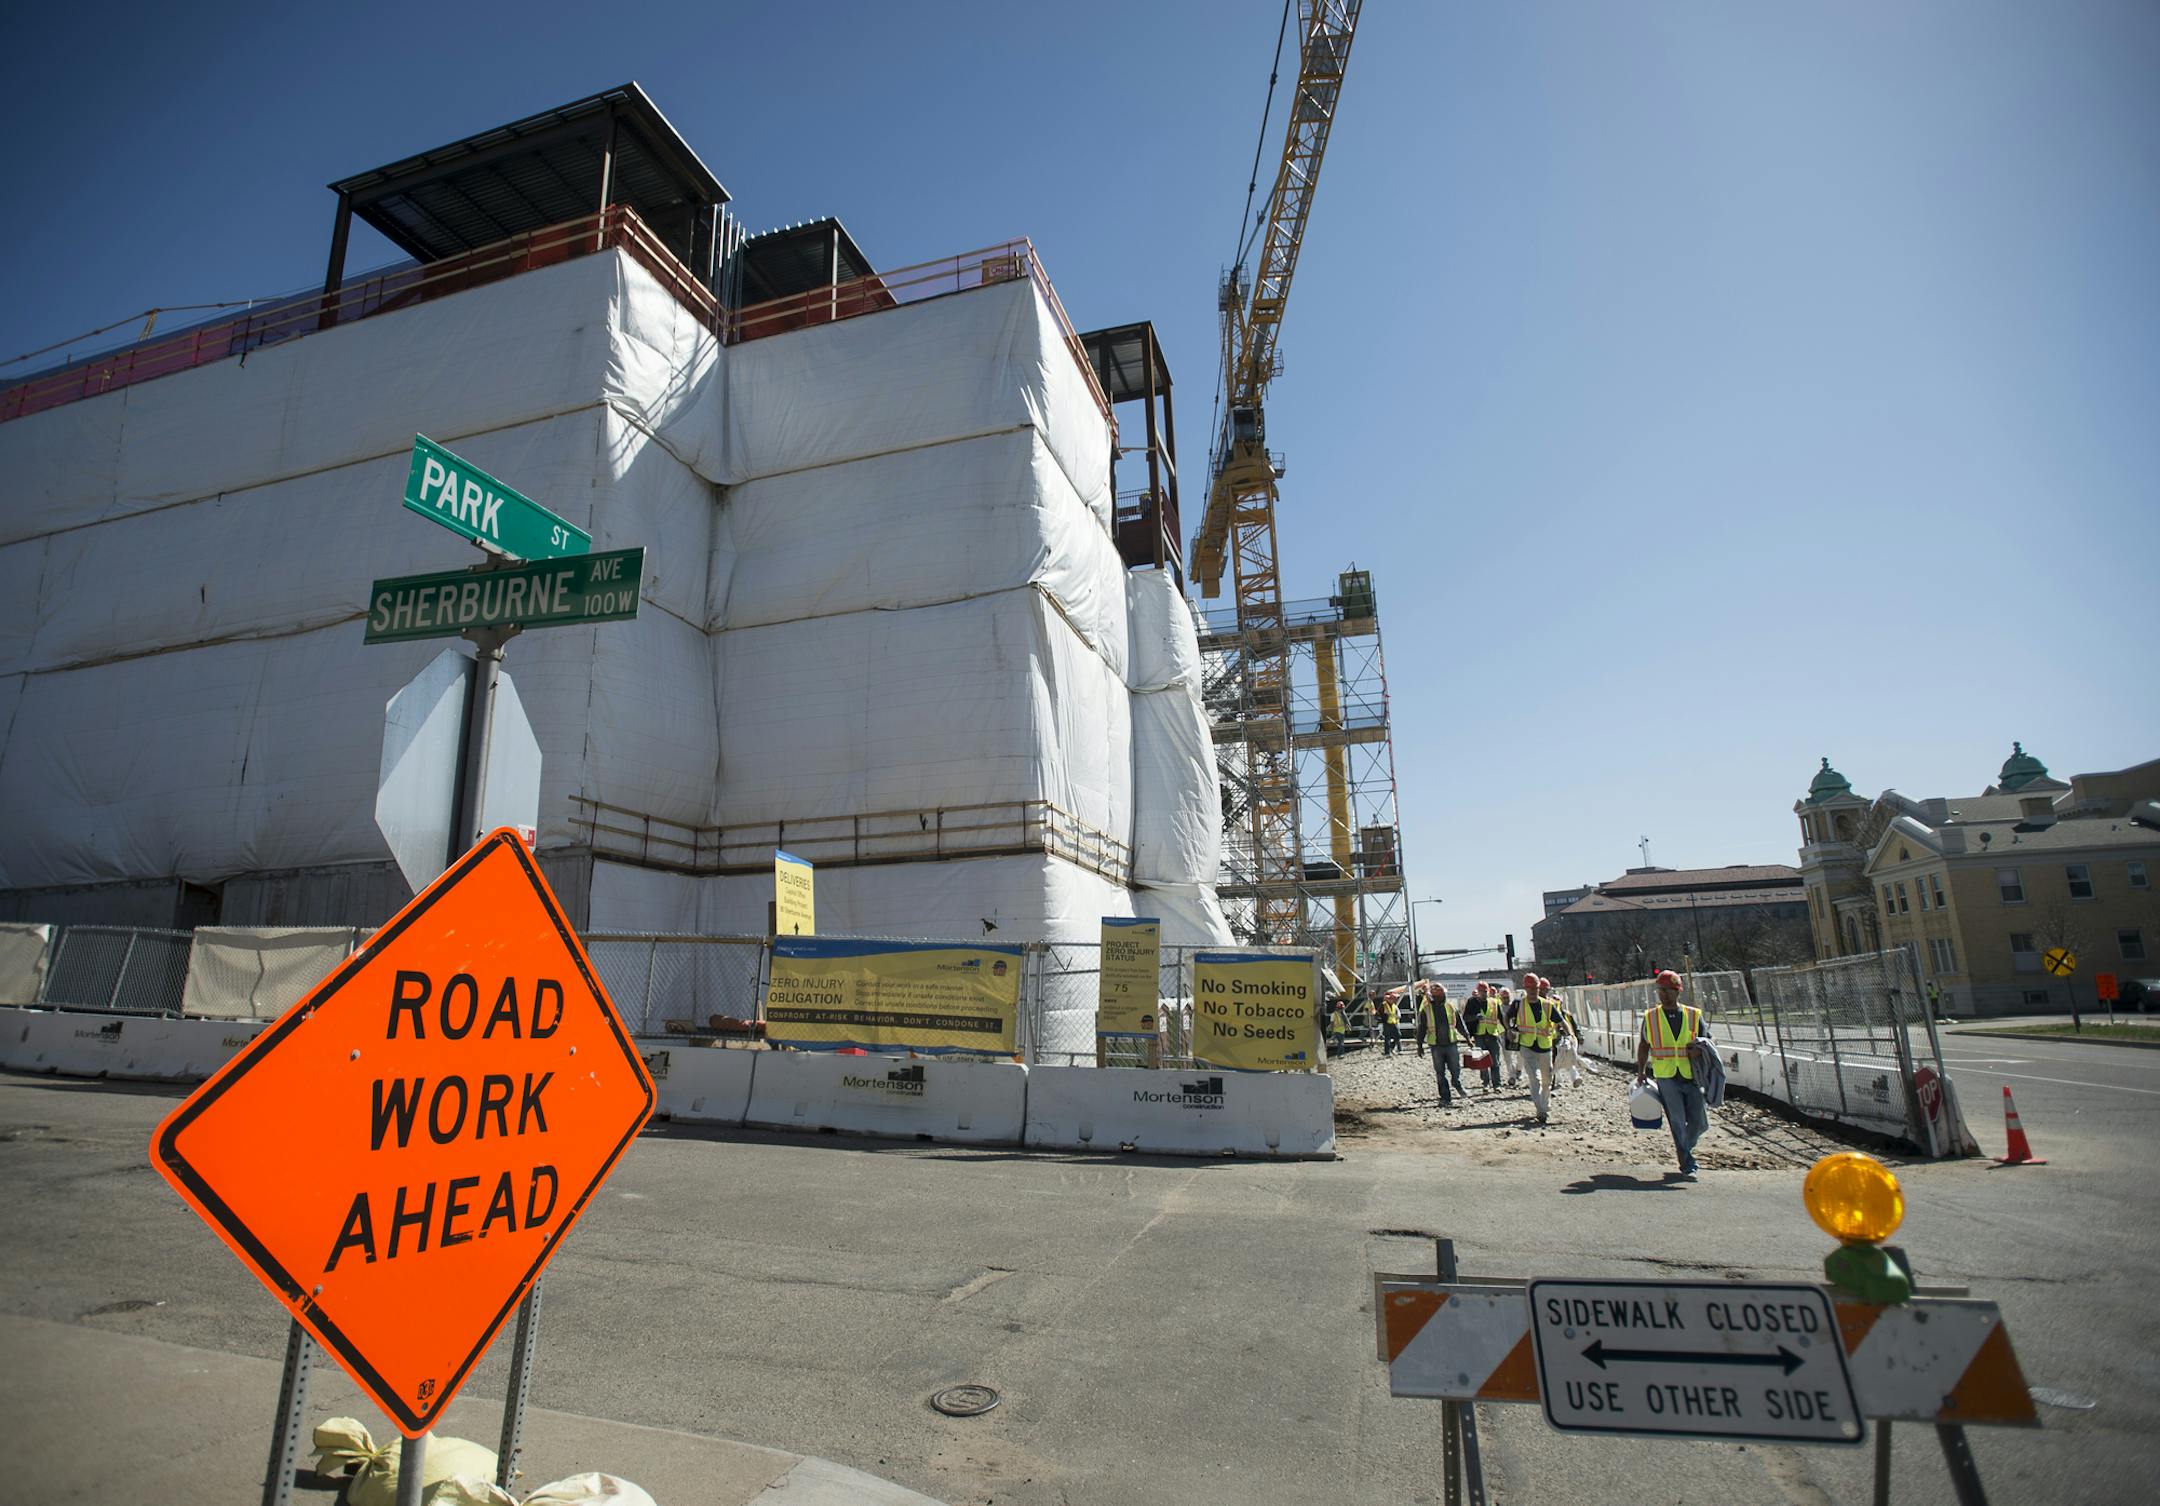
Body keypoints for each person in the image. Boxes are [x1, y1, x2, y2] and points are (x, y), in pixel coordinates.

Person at [1634, 969, 1710, 1179]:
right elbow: (1644, 1044)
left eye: (1667, 990)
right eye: (1660, 990)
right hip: (1666, 1076)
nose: (1663, 994)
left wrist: (1698, 1051)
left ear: (1678, 991)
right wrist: (1641, 1071)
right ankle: (1686, 1161)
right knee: (1677, 1120)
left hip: (1691, 1075)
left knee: (1700, 1123)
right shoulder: (1651, 1017)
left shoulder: (1694, 1016)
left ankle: (1685, 1147)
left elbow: (1708, 1043)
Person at [1516, 977, 1559, 1123]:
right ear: (1525, 989)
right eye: (1530, 988)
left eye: (1535, 988)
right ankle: (1540, 1110)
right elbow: (1507, 1018)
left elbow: (1561, 1020)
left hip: (1545, 1047)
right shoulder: (1519, 1005)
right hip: (1527, 1046)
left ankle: (1545, 1104)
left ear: (1539, 988)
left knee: (1547, 1080)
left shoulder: (1547, 1005)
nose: (1533, 991)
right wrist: (1510, 1029)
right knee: (1535, 1079)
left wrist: (1571, 1033)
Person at [1422, 984, 1464, 1106]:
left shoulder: (1450, 1006)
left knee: (1455, 1068)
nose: (1441, 997)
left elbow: (1459, 1024)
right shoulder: (1427, 1009)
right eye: (1438, 995)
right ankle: (1445, 1097)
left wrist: (1467, 1038)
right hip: (1436, 1045)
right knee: (1440, 1072)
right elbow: (1422, 1028)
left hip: (1451, 1043)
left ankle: (1456, 1082)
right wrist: (1419, 1044)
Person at [1470, 983, 1503, 1091]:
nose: (1483, 993)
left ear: (1488, 991)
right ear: (1477, 992)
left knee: (1495, 1060)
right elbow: (1465, 1017)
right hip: (1479, 1035)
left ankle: (1497, 1084)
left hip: (1492, 1034)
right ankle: (1485, 1083)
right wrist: (1475, 1017)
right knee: (1482, 1061)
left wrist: (1507, 1031)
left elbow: (1501, 1018)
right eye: (1481, 991)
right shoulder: (1472, 1002)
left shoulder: (1494, 1002)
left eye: (1485, 991)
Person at [1379, 990, 1402, 1056]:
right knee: (1387, 1038)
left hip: (1393, 1022)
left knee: (1398, 1036)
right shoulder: (1384, 1005)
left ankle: (1392, 1048)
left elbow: (1396, 1013)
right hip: (1387, 1023)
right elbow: (1380, 1013)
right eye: (1393, 999)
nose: (1394, 1000)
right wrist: (1383, 1020)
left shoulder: (1394, 1005)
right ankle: (1387, 1052)